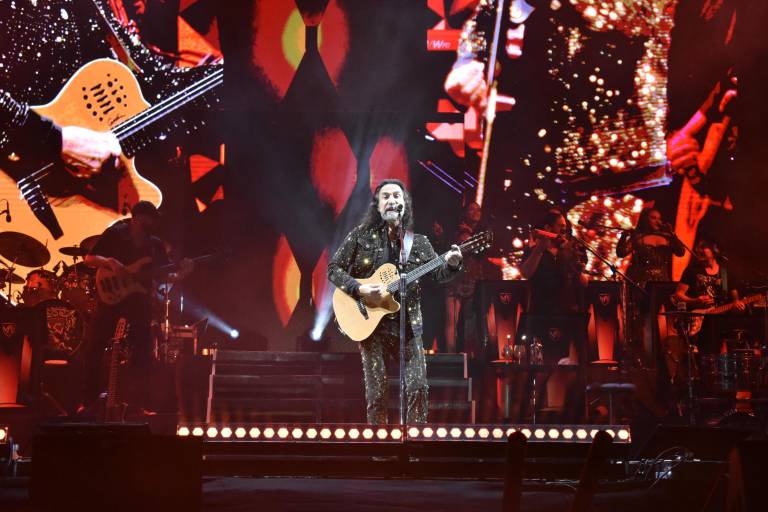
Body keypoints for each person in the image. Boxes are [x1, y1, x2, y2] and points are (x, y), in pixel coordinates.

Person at [0, 0, 214, 236]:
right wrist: (54, 140)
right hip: (16, 189)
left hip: (85, 210)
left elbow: (153, 80)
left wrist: (238, 71)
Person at [327, 180, 463, 424]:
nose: (392, 200)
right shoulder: (360, 236)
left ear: (404, 204)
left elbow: (439, 274)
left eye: (396, 196)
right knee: (377, 393)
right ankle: (379, 451)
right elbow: (333, 269)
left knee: (418, 389)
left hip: (409, 326)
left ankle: (414, 448)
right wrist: (360, 288)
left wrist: (452, 264)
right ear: (378, 206)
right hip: (372, 327)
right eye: (386, 196)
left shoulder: (418, 243)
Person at [81, 200, 192, 413]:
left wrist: (182, 274)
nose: (152, 223)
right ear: (137, 218)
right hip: (110, 296)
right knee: (94, 346)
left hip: (137, 300)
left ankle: (139, 404)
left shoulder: (155, 244)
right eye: (149, 219)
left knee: (142, 350)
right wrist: (111, 262)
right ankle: (87, 402)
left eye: (153, 219)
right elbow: (89, 258)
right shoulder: (115, 233)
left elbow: (165, 276)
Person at [444, 201, 487, 355]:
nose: (476, 212)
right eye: (472, 209)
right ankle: (451, 358)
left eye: (479, 210)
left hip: (469, 280)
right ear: (464, 213)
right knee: (452, 321)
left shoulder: (475, 232)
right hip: (457, 280)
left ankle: (465, 357)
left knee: (466, 322)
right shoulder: (460, 231)